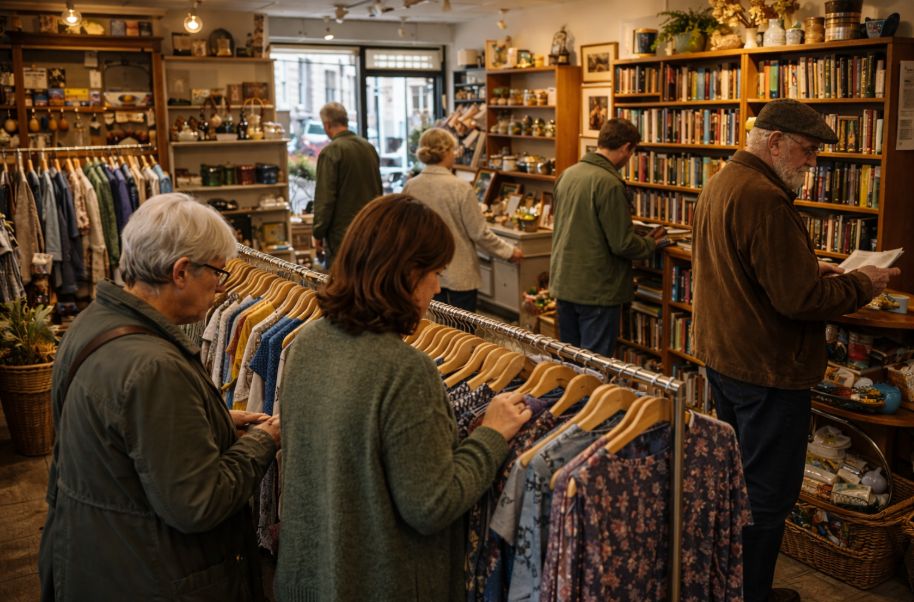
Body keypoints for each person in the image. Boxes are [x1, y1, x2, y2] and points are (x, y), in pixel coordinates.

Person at [691, 98, 900, 602]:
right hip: (767, 369)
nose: (811, 163)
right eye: (806, 150)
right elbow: (798, 301)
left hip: (726, 358)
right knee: (768, 494)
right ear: (775, 141)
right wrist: (862, 283)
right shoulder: (765, 198)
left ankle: (733, 586)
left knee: (739, 483)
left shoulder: (722, 182)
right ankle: (752, 594)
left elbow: (749, 272)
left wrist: (813, 267)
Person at [274, 194, 532, 601]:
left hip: (311, 577)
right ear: (407, 274)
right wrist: (492, 436)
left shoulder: (308, 340)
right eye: (434, 272)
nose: (438, 286)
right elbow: (432, 504)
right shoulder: (403, 370)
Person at [39, 193, 281, 601]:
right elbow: (198, 503)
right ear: (182, 271)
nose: (221, 288)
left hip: (95, 554)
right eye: (217, 273)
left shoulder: (92, 323)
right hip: (147, 574)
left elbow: (125, 439)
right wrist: (263, 442)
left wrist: (215, 422)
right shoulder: (154, 367)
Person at [549, 118, 666, 357]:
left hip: (564, 282)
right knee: (594, 365)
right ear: (626, 148)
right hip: (597, 289)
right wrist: (651, 243)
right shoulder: (609, 183)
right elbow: (622, 243)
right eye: (631, 152)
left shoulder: (568, 174)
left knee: (568, 361)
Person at [403, 127, 523, 311]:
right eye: (453, 150)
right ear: (445, 152)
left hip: (425, 271)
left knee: (434, 331)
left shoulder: (411, 186)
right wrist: (509, 252)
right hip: (460, 273)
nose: (455, 155)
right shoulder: (460, 188)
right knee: (463, 333)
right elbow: (478, 232)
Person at [312, 101, 383, 267]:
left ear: (327, 124)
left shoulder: (331, 152)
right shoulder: (368, 148)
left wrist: (318, 233)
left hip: (342, 235)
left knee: (341, 285)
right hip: (370, 230)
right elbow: (378, 190)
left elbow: (325, 199)